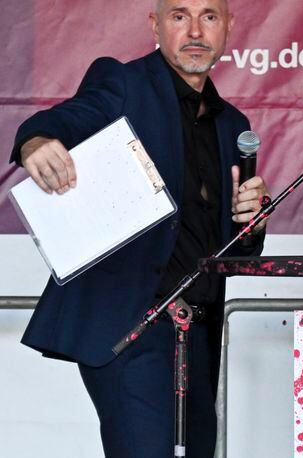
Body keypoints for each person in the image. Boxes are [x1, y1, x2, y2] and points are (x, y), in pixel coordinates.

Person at [9, 0, 266, 456]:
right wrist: (36, 141)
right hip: (135, 327)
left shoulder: (234, 126)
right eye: (179, 15)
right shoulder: (124, 83)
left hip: (199, 334)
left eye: (209, 16)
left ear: (228, 27)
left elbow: (234, 253)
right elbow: (65, 119)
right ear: (156, 25)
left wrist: (252, 222)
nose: (194, 31)